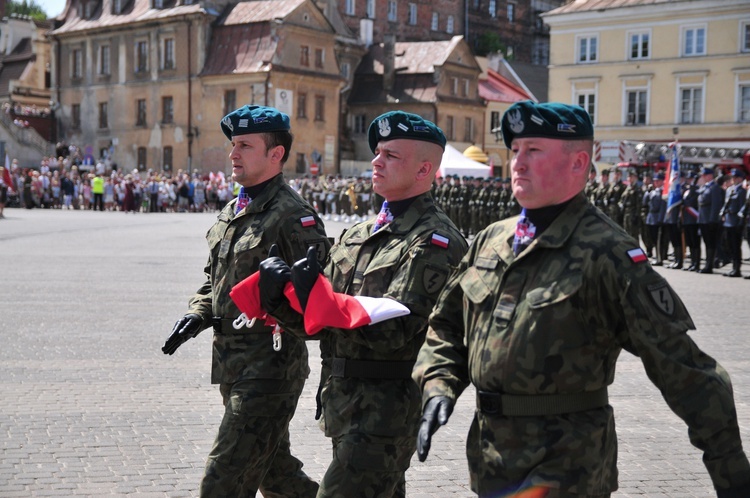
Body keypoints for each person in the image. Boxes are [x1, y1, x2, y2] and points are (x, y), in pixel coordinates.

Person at [413, 101, 750, 497]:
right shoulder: (490, 241)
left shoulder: (608, 253)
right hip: (492, 461)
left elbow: (686, 371)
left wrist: (732, 474)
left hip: (568, 466)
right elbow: (447, 324)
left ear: (578, 163)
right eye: (516, 149)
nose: (517, 163)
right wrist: (439, 384)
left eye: (534, 150)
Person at [260, 110, 468, 497]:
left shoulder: (434, 240)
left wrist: (317, 299)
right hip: (345, 403)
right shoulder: (357, 234)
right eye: (377, 152)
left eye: (391, 155)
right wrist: (281, 300)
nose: (376, 161)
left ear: (424, 170)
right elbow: (318, 324)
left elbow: (397, 331)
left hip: (386, 412)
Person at [161, 105, 329, 497]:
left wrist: (277, 297)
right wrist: (198, 313)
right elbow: (213, 279)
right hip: (232, 365)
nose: (233, 154)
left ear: (276, 154)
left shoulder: (294, 217)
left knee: (223, 481)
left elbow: (317, 309)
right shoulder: (233, 210)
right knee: (276, 475)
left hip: (270, 371)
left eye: (245, 146)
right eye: (233, 144)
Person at [719, 168, 747, 277]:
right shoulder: (729, 190)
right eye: (732, 177)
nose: (734, 179)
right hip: (728, 220)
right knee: (728, 245)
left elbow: (742, 208)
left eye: (736, 178)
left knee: (736, 246)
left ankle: (737, 269)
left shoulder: (742, 191)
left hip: (736, 221)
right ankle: (733, 267)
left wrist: (740, 223)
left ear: (740, 179)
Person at [697, 166, 724, 274]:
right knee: (707, 242)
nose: (703, 177)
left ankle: (709, 265)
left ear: (710, 176)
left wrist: (713, 219)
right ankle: (708, 264)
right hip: (703, 219)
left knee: (711, 243)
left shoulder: (715, 187)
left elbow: (716, 205)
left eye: (704, 175)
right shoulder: (704, 187)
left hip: (710, 220)